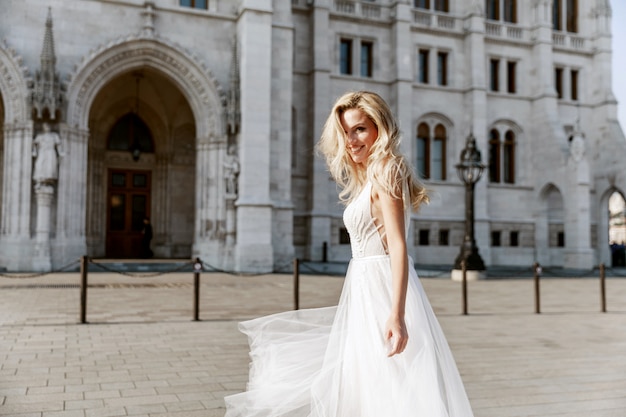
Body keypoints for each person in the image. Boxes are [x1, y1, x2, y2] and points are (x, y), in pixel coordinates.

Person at [224, 91, 474, 416]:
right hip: (363, 289)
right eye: (345, 132)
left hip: (382, 288)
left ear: (379, 129)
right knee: (369, 383)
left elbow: (397, 245)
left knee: (392, 384)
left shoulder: (387, 168)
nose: (351, 140)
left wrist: (397, 315)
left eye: (360, 129)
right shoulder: (370, 175)